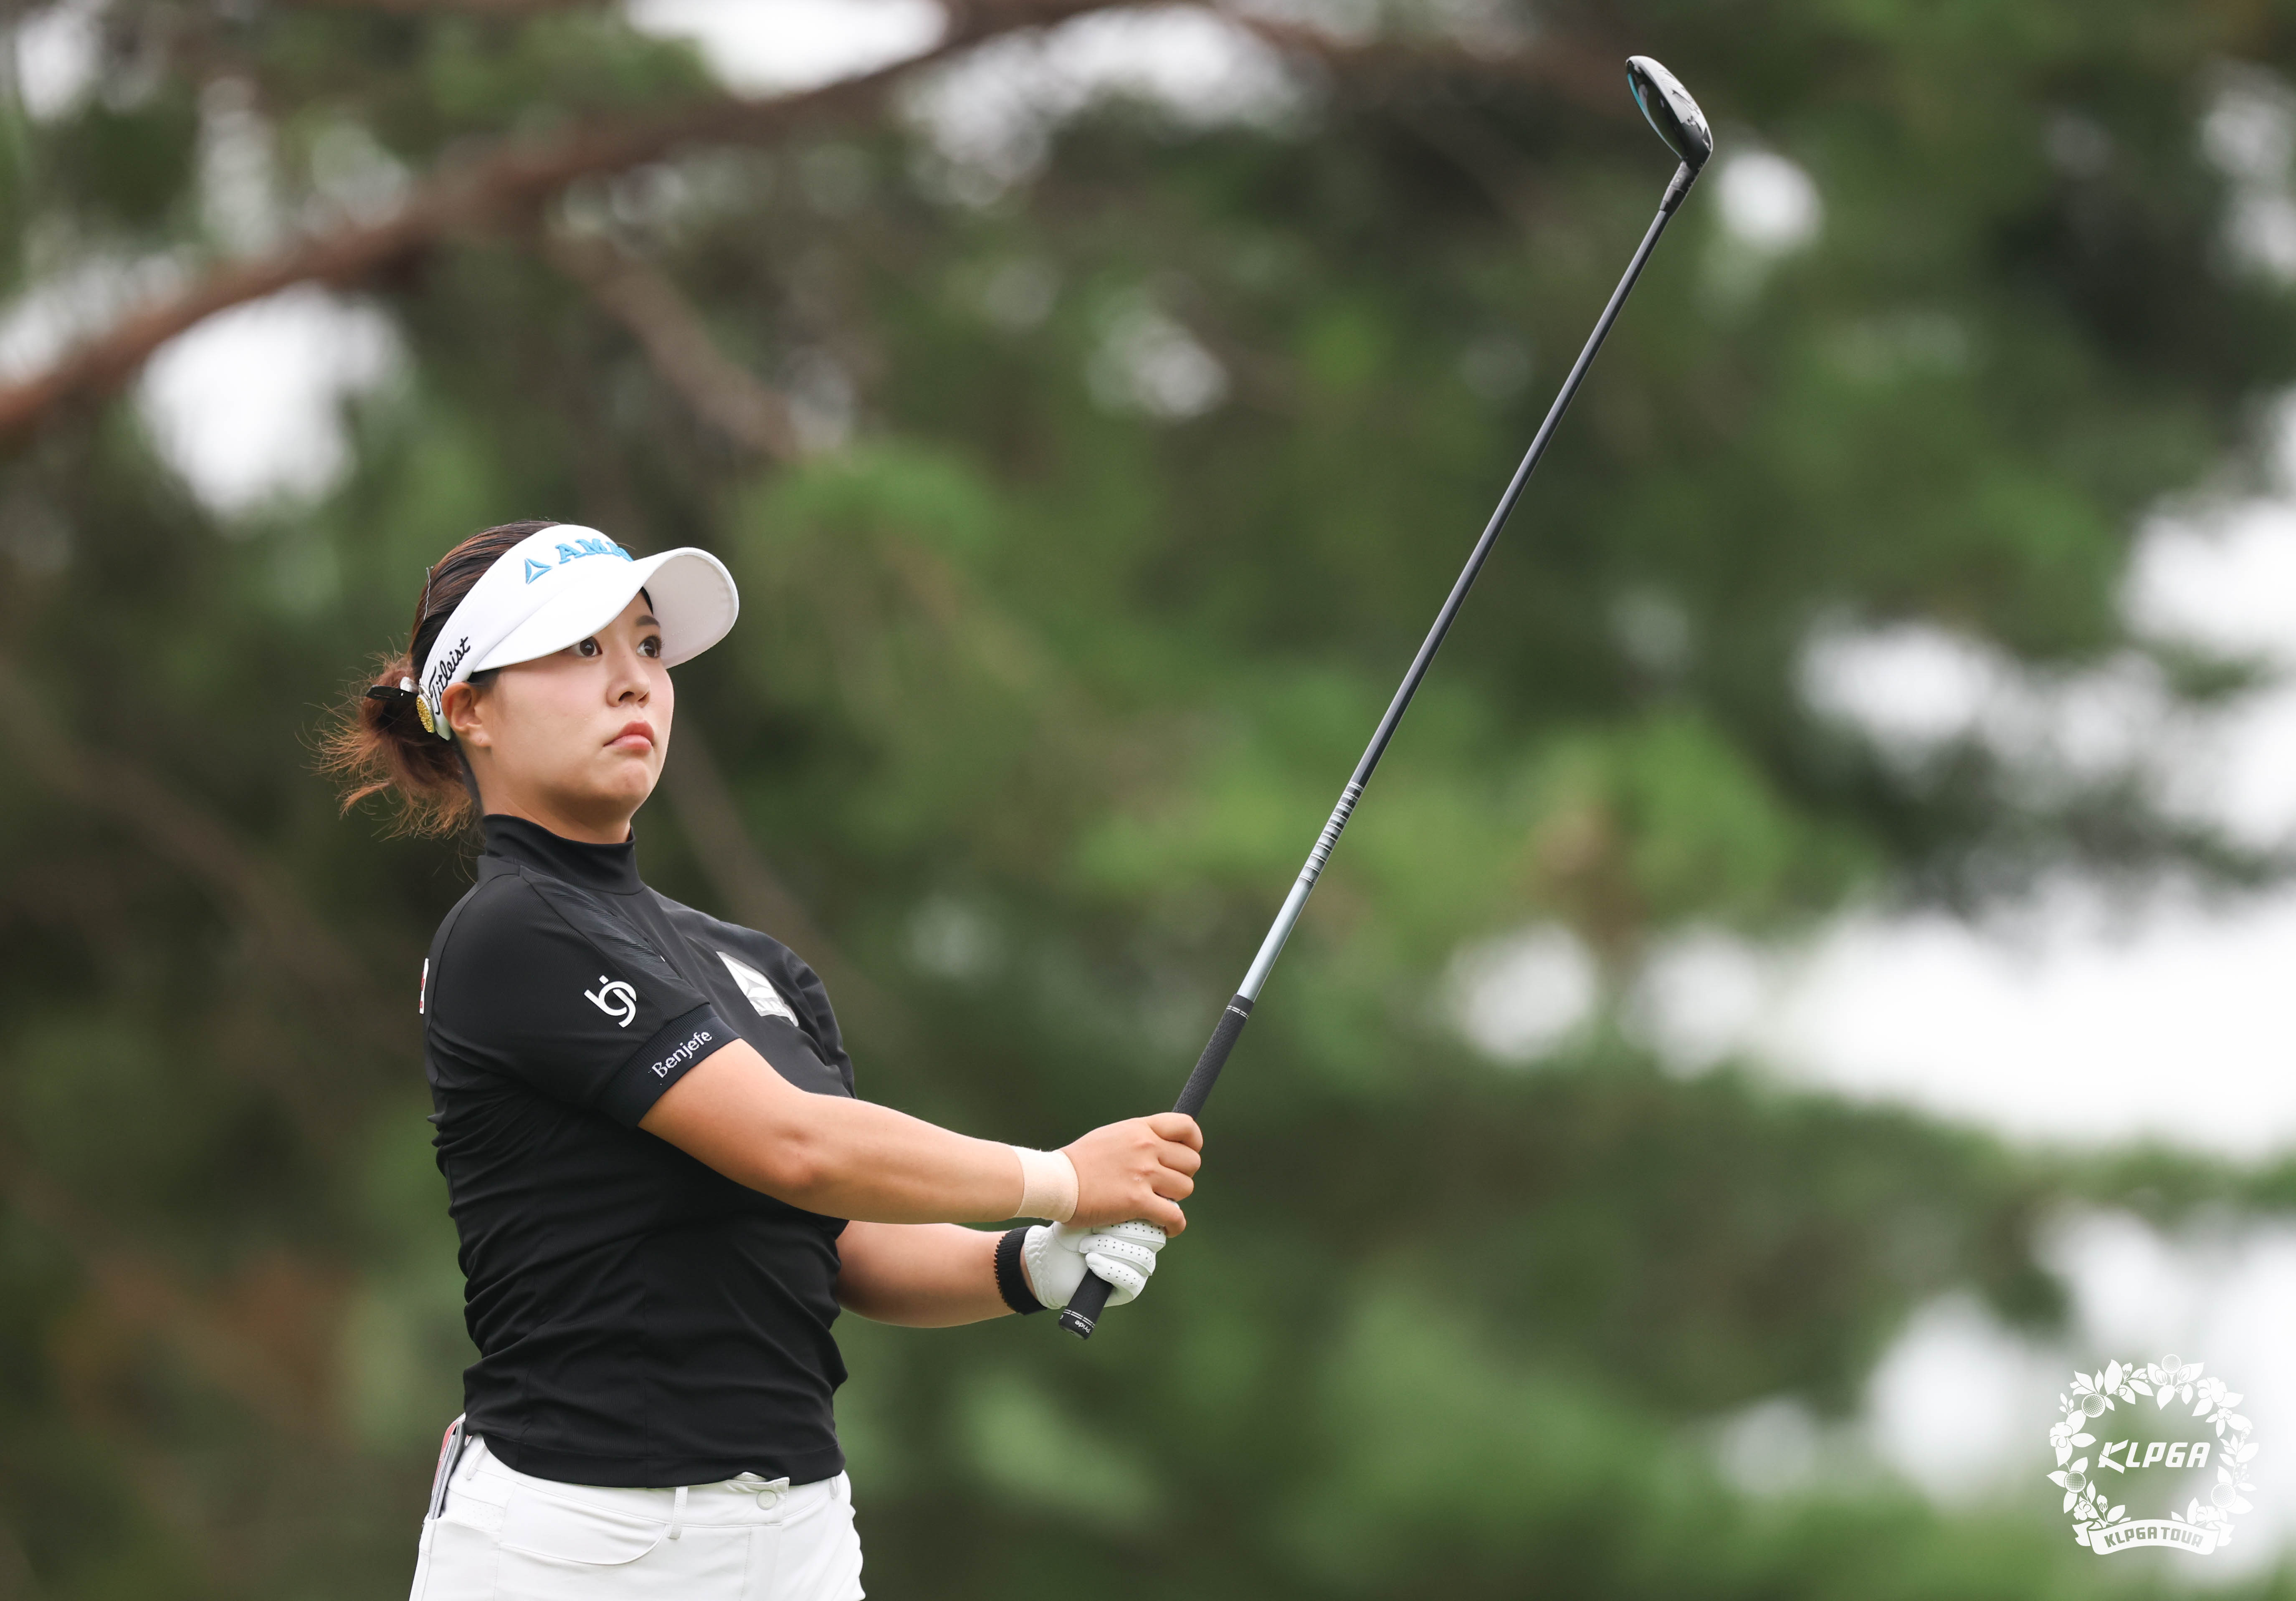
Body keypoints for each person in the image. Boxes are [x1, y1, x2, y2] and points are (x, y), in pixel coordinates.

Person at [322, 520, 1203, 1599]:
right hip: (576, 1543)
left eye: (648, 646)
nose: (634, 681)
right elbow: (797, 1146)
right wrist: (1063, 1177)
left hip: (802, 1539)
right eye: (582, 649)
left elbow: (841, 1243)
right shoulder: (508, 932)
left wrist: (1026, 1263)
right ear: (470, 709)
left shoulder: (756, 965)